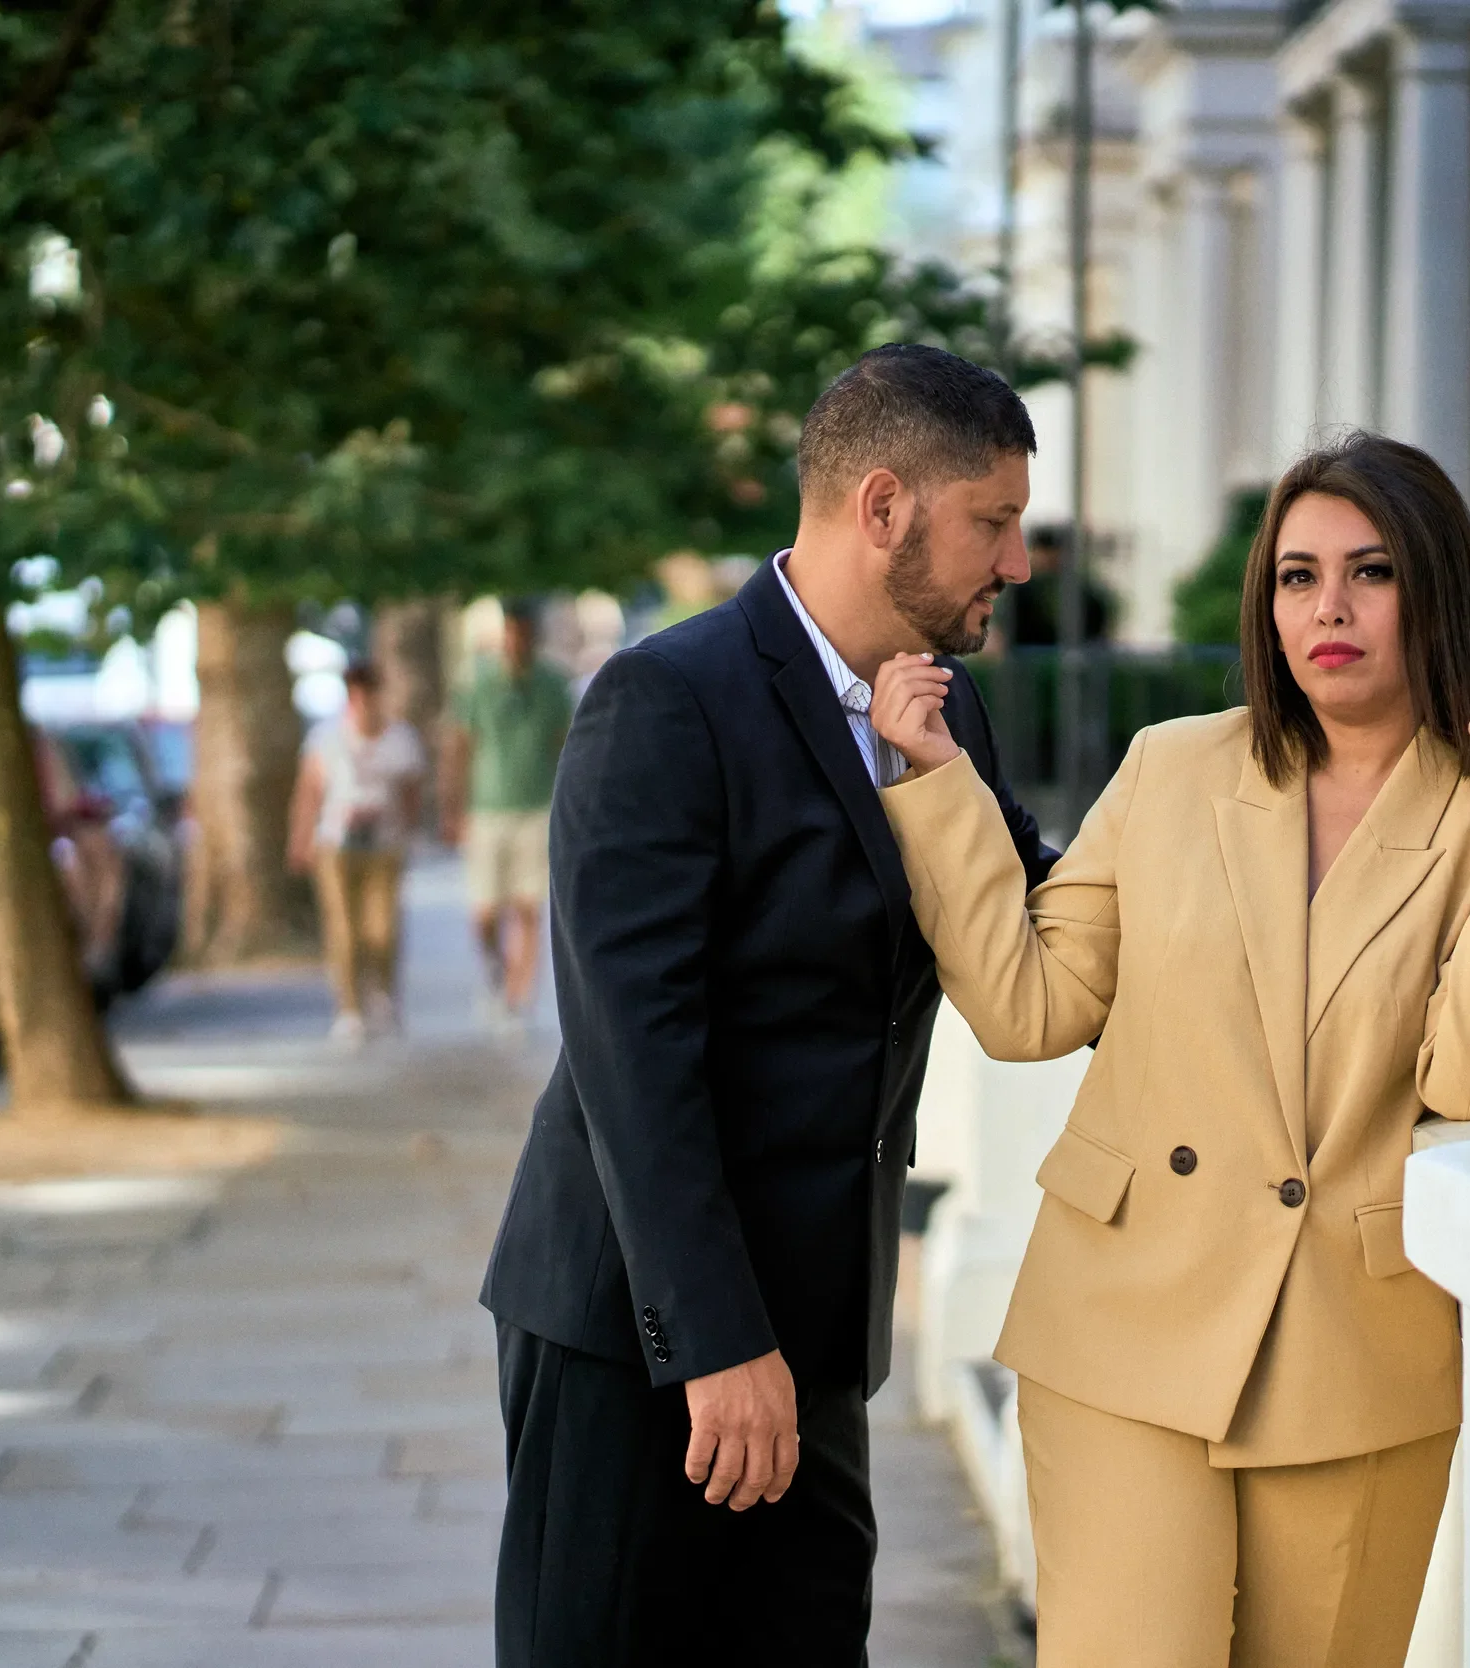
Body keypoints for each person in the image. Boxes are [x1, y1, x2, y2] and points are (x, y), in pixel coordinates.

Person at [869, 433, 1470, 1668]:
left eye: (1372, 572)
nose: (1329, 609)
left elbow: (1463, 1078)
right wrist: (940, 786)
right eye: (1297, 577)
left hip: (1353, 1349)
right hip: (1125, 1313)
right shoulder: (1174, 765)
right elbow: (1032, 1006)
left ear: (1436, 590)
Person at [478, 343, 1056, 1665]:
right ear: (884, 506)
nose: (1017, 565)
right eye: (996, 524)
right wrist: (716, 1344)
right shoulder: (664, 701)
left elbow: (1038, 902)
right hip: (639, 1332)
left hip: (818, 1336)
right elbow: (636, 1052)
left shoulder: (943, 713)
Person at [442, 601, 574, 1025]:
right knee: (484, 910)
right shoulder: (479, 684)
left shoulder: (553, 685)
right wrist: (453, 806)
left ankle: (519, 996)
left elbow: (566, 746)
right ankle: (496, 969)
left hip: (537, 806)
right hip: (488, 808)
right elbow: (461, 745)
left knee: (528, 907)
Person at [288, 661, 427, 1044]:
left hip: (384, 843)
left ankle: (382, 991)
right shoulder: (326, 738)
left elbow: (412, 790)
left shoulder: (400, 739)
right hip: (337, 844)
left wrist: (408, 829)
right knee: (343, 930)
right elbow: (309, 792)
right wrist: (300, 838)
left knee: (382, 928)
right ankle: (349, 1008)